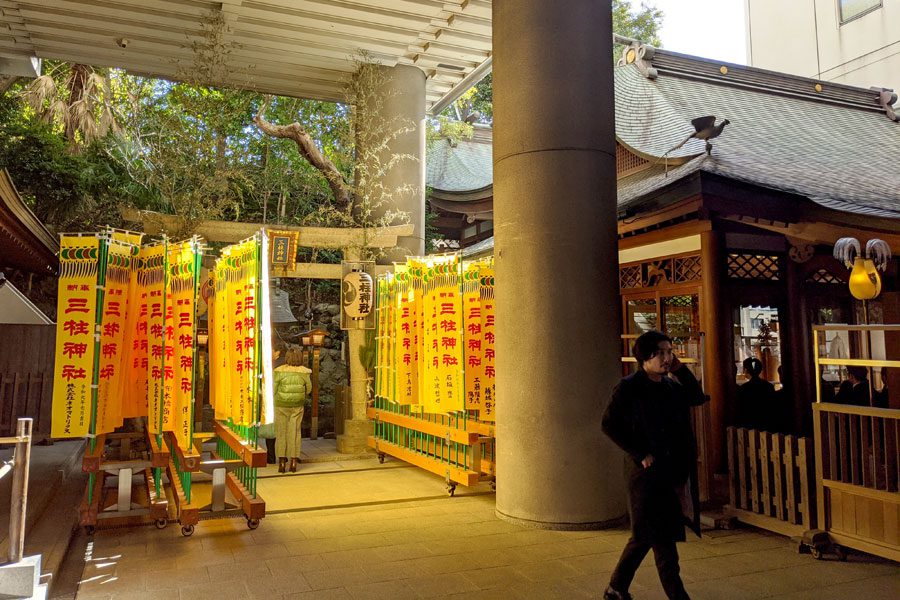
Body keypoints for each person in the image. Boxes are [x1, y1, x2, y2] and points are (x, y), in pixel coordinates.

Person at [602, 330, 707, 600]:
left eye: (669, 351)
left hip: (670, 471)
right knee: (657, 538)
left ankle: (616, 588)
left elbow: (696, 397)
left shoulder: (671, 386)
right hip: (645, 474)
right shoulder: (628, 387)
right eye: (659, 352)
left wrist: (680, 369)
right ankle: (675, 596)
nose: (666, 357)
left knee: (651, 536)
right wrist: (640, 453)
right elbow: (609, 424)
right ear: (644, 356)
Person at [273, 346, 312, 473]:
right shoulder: (305, 372)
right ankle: (293, 462)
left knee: (281, 432)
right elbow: (309, 389)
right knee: (294, 431)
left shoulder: (279, 371)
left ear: (287, 358)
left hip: (280, 405)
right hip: (297, 405)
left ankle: (282, 462)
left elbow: (273, 389)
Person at [735, 357, 777, 431]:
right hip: (768, 425)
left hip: (750, 426)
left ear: (746, 370)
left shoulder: (744, 388)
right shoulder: (769, 386)